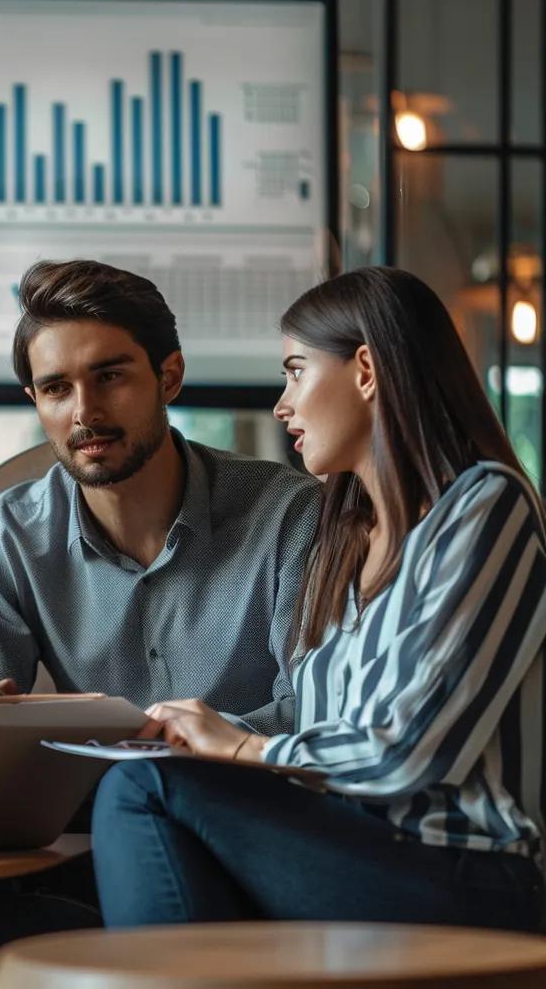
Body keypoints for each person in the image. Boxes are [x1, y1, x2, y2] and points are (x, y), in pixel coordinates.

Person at [91, 265, 546, 934]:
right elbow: (324, 732)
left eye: (296, 371)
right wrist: (206, 736)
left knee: (142, 793)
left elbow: (407, 753)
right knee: (156, 788)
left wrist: (239, 751)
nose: (282, 404)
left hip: (473, 872)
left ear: (366, 370)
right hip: (361, 851)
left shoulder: (486, 506)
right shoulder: (342, 544)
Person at [0, 259, 322, 980]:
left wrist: (193, 742)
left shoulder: (287, 515)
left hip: (250, 830)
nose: (84, 412)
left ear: (169, 377)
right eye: (56, 388)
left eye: (110, 376)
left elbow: (314, 710)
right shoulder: (11, 531)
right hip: (92, 831)